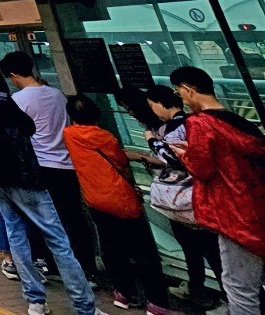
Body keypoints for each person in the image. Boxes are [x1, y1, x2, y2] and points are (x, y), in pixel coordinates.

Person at [0, 60, 105, 315]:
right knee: (58, 238)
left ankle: (35, 301)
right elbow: (28, 127)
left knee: (17, 236)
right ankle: (85, 305)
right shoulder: (4, 99)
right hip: (27, 175)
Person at [62, 95, 177, 314]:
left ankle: (123, 292)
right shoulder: (105, 137)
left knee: (112, 247)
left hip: (95, 199)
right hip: (121, 200)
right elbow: (120, 162)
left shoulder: (69, 135)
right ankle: (156, 302)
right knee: (144, 253)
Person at [167, 67, 265, 315]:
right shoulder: (237, 121)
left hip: (235, 214)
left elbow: (202, 168)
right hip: (257, 206)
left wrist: (184, 154)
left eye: (179, 92)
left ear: (188, 89)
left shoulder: (199, 123)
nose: (182, 99)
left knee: (239, 287)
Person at [0, 50, 98, 281]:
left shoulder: (17, 101)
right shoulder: (57, 95)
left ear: (13, 75)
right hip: (67, 165)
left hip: (40, 166)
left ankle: (49, 264)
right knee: (74, 217)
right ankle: (86, 266)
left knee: (41, 218)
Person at [146, 85, 223, 309]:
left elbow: (173, 158)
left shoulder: (174, 127)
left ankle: (225, 297)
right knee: (211, 251)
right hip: (201, 195)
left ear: (162, 104)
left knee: (205, 250)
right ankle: (203, 289)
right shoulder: (192, 122)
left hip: (188, 198)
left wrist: (152, 140)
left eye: (153, 105)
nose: (153, 111)